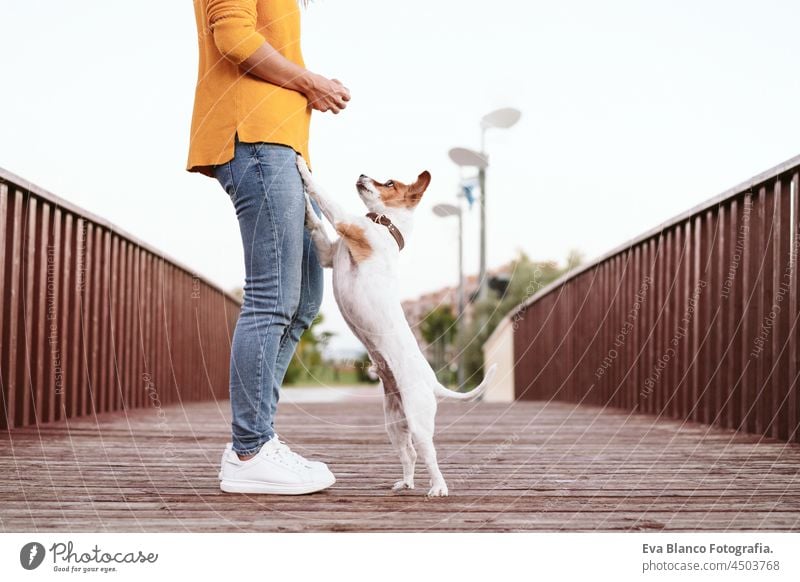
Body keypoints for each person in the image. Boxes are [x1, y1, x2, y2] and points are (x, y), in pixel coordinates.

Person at [186, 0, 350, 494]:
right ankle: (249, 450)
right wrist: (309, 81)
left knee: (302, 299)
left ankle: (257, 440)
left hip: (277, 144)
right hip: (254, 140)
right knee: (271, 298)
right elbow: (232, 38)